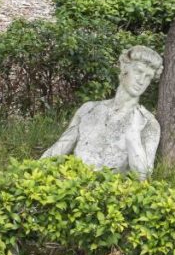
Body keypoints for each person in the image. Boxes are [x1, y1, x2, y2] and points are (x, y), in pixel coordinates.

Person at [41, 45, 162, 179]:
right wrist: (32, 172)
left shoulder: (148, 124)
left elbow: (143, 177)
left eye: (148, 77)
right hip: (71, 186)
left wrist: (133, 136)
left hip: (109, 194)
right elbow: (59, 149)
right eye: (138, 71)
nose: (141, 81)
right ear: (125, 68)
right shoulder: (88, 109)